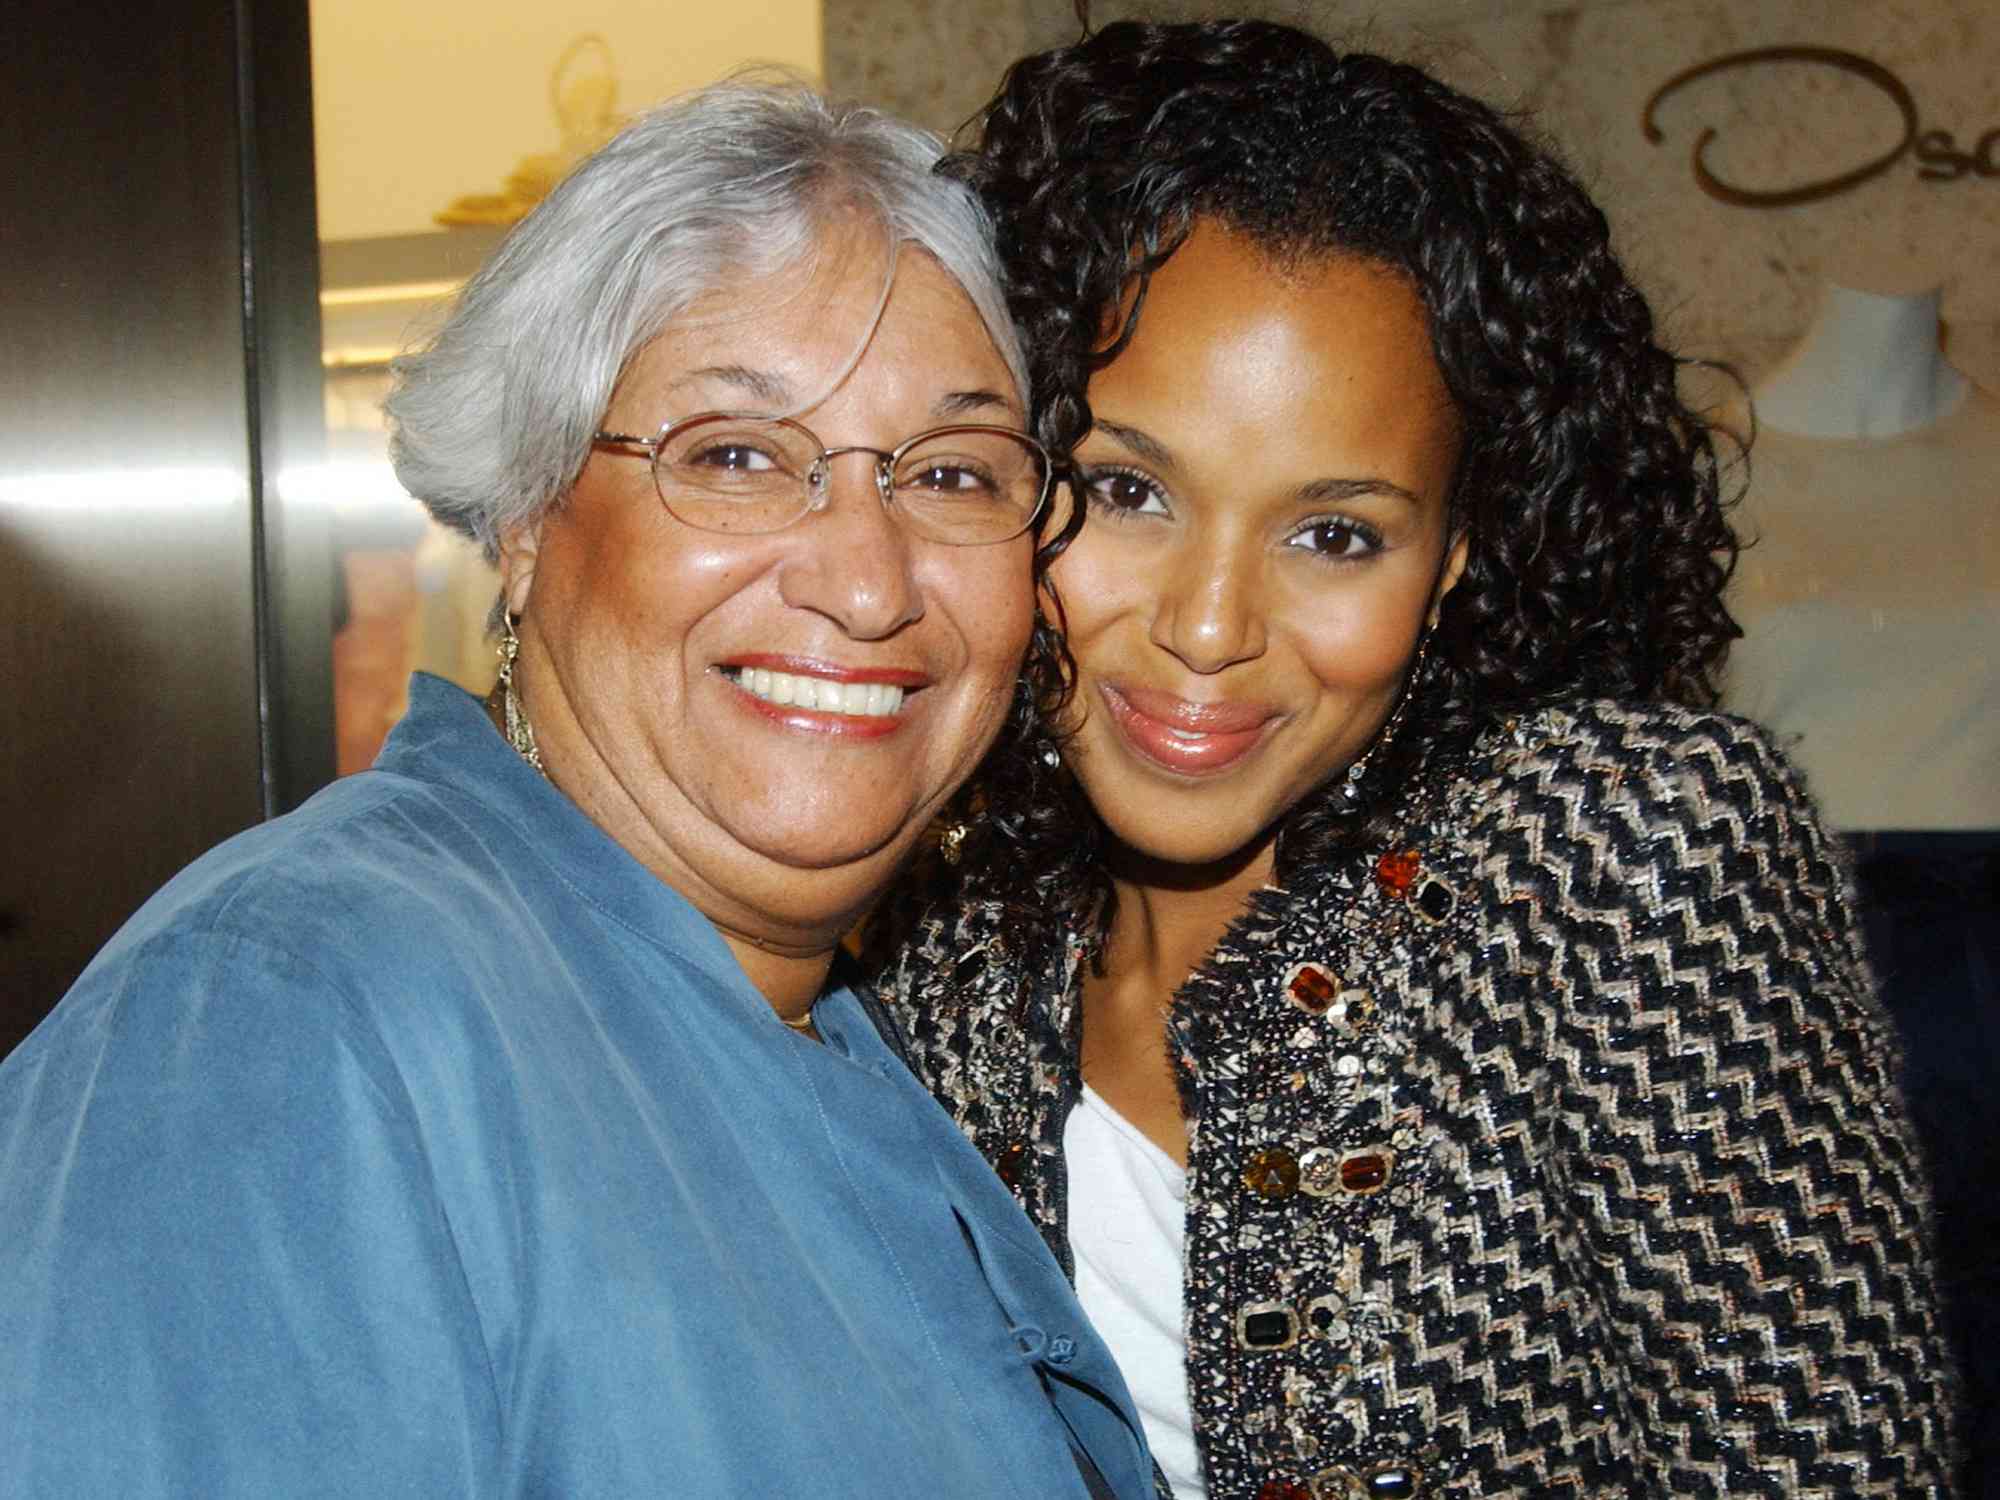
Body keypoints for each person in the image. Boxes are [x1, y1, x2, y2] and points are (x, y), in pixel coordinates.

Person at [0, 82, 1153, 1500]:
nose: (865, 582)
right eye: (736, 456)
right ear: (528, 519)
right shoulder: (283, 1016)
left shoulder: (824, 1023)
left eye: (955, 473)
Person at [871, 20, 1959, 1498]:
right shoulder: (933, 951)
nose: (1207, 627)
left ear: (1454, 555)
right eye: (1129, 490)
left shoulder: (1618, 857)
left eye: (1335, 533)